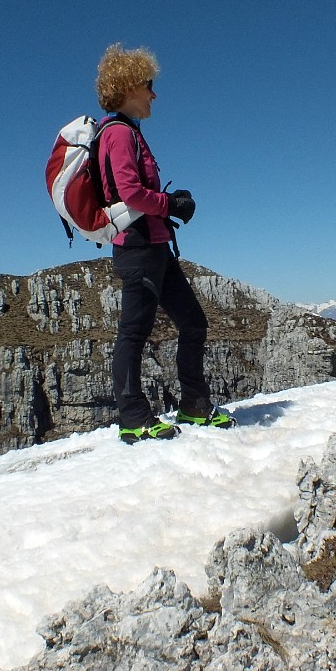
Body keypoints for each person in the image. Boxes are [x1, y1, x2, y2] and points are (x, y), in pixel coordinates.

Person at [93, 43, 235, 443]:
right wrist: (170, 202)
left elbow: (136, 193)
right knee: (133, 333)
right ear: (128, 87)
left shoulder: (129, 133)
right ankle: (134, 418)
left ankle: (193, 404)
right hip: (138, 248)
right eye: (148, 84)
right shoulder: (119, 134)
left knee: (193, 322)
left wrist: (168, 207)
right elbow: (131, 192)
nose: (154, 93)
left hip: (154, 246)